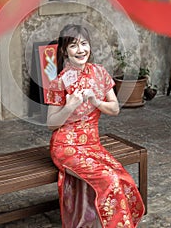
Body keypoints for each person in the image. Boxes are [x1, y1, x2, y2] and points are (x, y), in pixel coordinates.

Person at [46, 24, 145, 228]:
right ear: (64, 50)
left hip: (92, 145)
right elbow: (50, 124)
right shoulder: (59, 82)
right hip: (66, 147)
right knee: (109, 180)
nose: (81, 50)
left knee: (122, 177)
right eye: (74, 45)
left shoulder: (99, 73)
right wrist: (69, 107)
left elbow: (115, 108)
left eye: (84, 44)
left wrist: (96, 102)